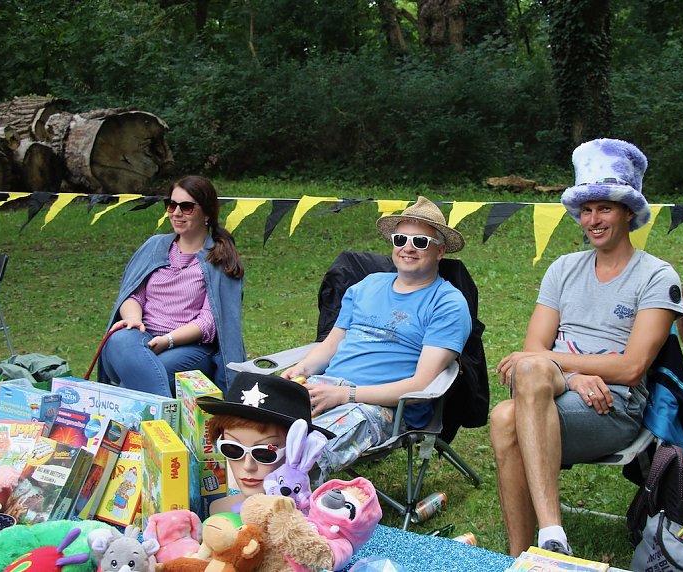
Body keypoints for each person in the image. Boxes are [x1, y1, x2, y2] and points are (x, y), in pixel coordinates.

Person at [490, 138, 683, 557]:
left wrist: (553, 363)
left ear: (629, 212)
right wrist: (576, 377)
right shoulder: (563, 269)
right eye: (587, 210)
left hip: (614, 407)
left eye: (605, 208)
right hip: (561, 390)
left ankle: (533, 549)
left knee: (506, 417)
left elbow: (632, 367)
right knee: (515, 397)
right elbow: (532, 349)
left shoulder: (655, 276)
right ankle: (542, 542)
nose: (594, 220)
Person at [280, 196, 473, 484]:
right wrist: (302, 370)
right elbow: (331, 345)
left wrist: (347, 395)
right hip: (325, 390)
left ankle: (291, 515)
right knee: (251, 429)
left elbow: (420, 385)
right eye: (401, 239)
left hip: (383, 408)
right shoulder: (366, 286)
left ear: (440, 251)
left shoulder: (447, 304)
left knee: (304, 454)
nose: (408, 247)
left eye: (420, 242)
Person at [98, 175, 245, 396]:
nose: (176, 213)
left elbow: (209, 322)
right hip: (141, 336)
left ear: (206, 213)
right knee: (119, 339)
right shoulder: (154, 246)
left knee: (156, 369)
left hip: (188, 347)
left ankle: (156, 424)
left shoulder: (220, 258)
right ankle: (162, 420)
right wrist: (134, 320)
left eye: (186, 207)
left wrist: (168, 340)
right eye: (171, 205)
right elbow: (133, 295)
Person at [196, 371, 334, 514]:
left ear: (299, 450)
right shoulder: (219, 509)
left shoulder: (313, 524)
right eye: (232, 449)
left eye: (264, 453)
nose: (248, 466)